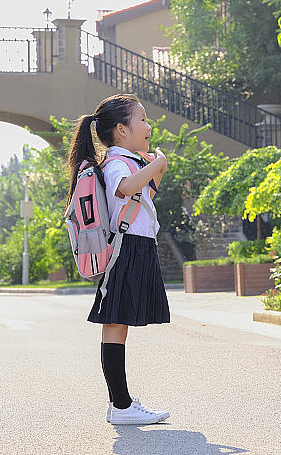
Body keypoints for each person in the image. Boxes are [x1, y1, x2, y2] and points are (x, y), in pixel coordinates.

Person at [66, 93, 171, 425]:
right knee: (115, 324)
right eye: (142, 119)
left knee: (118, 324)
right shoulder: (115, 163)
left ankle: (121, 404)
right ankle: (121, 406)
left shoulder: (128, 159)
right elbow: (125, 188)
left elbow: (141, 197)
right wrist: (158, 163)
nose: (148, 125)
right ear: (122, 129)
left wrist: (153, 169)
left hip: (138, 246)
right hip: (128, 248)